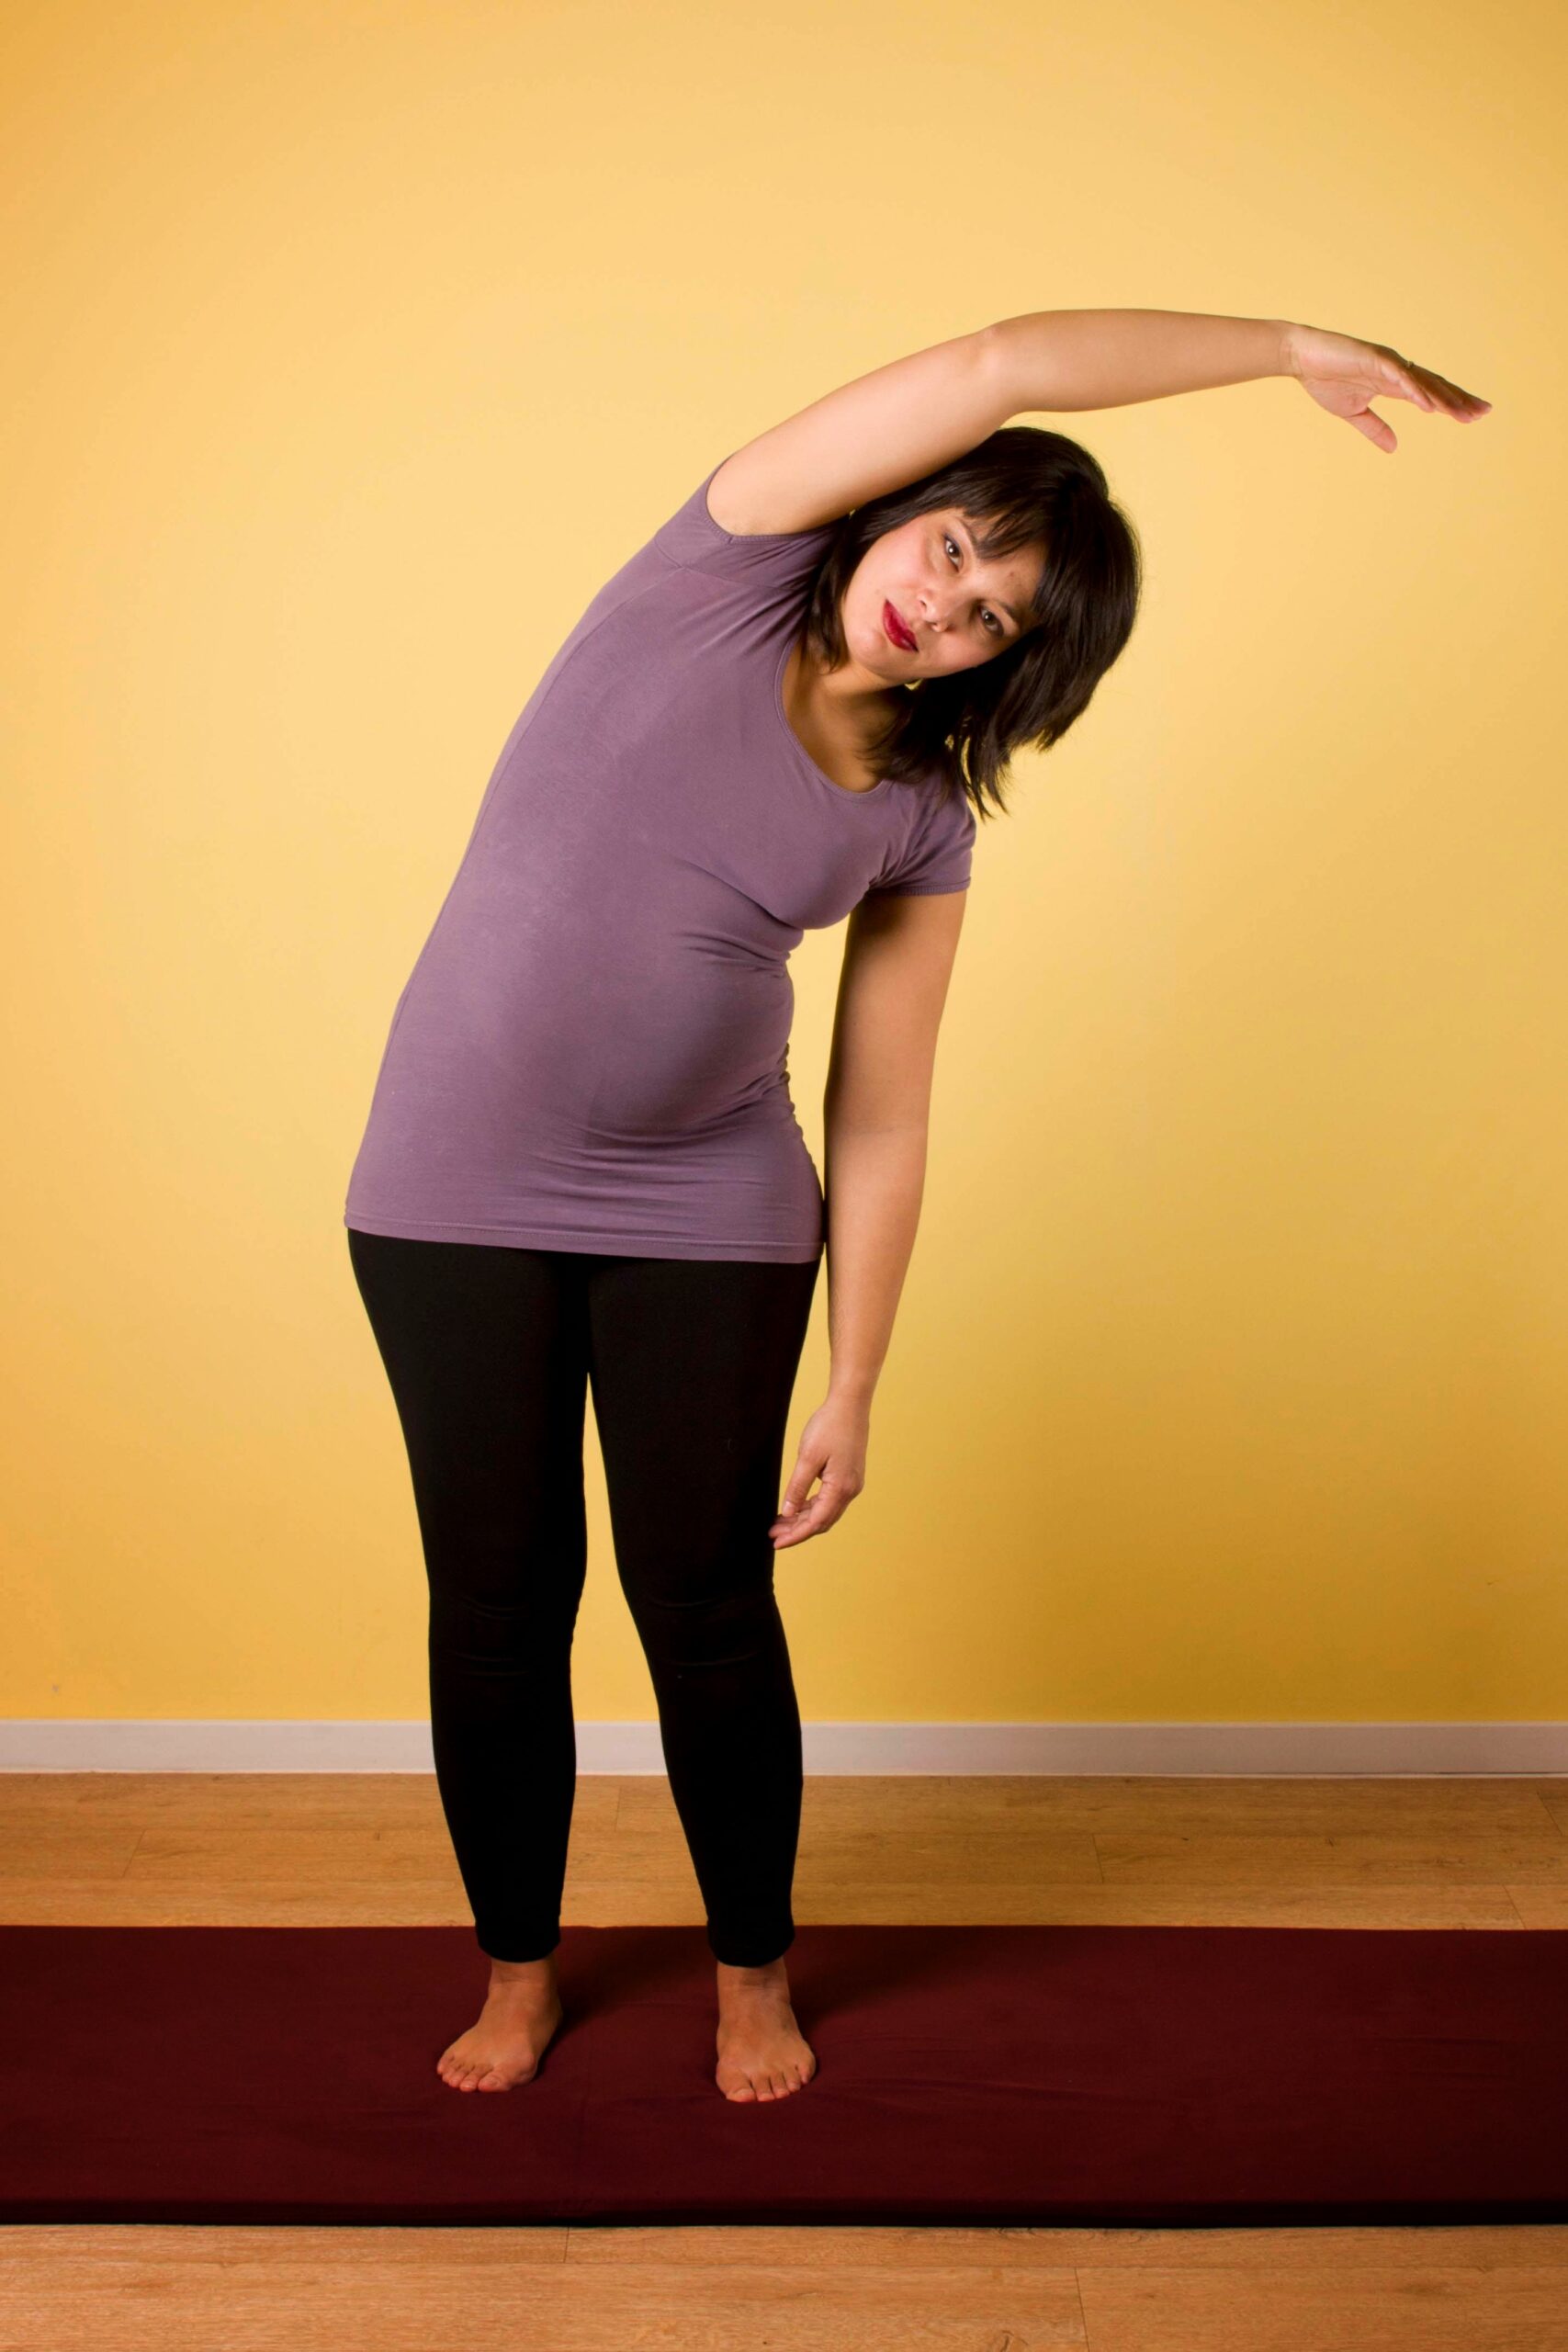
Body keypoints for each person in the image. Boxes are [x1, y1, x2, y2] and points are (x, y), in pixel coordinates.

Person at [344, 310, 1489, 2104]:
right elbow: (998, 360)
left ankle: (748, 1970)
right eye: (949, 545)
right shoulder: (712, 571)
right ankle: (515, 1968)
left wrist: (854, 1379)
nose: (939, 604)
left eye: (989, 614)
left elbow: (879, 1110)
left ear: (999, 669)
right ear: (902, 508)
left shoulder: (918, 809)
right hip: (446, 1188)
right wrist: (1278, 346)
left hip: (712, 1206)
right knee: (495, 1592)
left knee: (701, 1594)